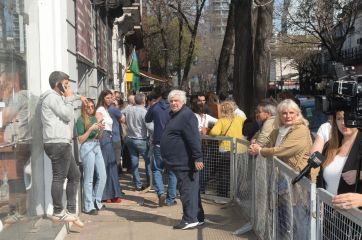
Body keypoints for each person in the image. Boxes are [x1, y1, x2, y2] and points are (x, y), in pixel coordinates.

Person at [40, 71, 85, 226]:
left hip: (61, 142)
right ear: (57, 84)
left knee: (75, 175)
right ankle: (58, 212)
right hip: (57, 142)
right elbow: (66, 115)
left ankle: (71, 211)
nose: (68, 88)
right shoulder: (52, 97)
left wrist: (78, 97)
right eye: (66, 85)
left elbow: (66, 106)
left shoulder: (58, 98)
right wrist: (69, 98)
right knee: (59, 177)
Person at [161, 90, 205, 230]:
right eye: (171, 101)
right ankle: (198, 217)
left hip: (185, 161)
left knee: (187, 191)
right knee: (191, 190)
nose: (173, 103)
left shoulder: (187, 116)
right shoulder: (176, 115)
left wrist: (198, 157)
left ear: (183, 102)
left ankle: (189, 219)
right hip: (178, 161)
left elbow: (194, 138)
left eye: (176, 101)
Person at [249, 99, 316, 181]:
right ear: (279, 115)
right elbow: (267, 144)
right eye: (284, 113)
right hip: (281, 176)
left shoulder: (301, 129)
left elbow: (282, 150)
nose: (288, 116)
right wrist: (255, 147)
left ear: (297, 114)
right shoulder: (278, 129)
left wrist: (260, 151)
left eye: (291, 113)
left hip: (297, 177)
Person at [317, 111, 362, 198]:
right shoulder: (328, 145)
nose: (343, 122)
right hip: (328, 208)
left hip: (353, 210)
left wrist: (360, 175)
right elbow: (320, 178)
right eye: (339, 118)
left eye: (347, 117)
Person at [145, 88, 177, 207]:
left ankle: (160, 192)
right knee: (172, 172)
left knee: (157, 169)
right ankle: (170, 199)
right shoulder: (174, 108)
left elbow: (147, 119)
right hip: (172, 142)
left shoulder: (155, 107)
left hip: (158, 141)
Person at [209, 100, 246, 197]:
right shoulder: (239, 119)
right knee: (237, 172)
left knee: (224, 173)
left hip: (225, 149)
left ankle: (223, 195)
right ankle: (237, 194)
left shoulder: (221, 121)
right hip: (239, 149)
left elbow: (214, 132)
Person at [76, 99, 107, 215]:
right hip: (87, 147)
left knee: (103, 175)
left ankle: (96, 201)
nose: (90, 109)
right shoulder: (80, 120)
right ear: (83, 108)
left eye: (92, 107)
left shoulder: (94, 119)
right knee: (89, 178)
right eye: (88, 107)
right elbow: (80, 140)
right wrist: (90, 129)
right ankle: (88, 206)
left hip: (96, 145)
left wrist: (101, 130)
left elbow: (98, 136)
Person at [95, 90, 122, 203]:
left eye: (111, 97)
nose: (110, 99)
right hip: (104, 137)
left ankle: (113, 194)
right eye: (107, 98)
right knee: (106, 165)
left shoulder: (107, 109)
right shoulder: (100, 109)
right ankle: (105, 195)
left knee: (111, 165)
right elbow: (99, 124)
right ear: (102, 98)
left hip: (109, 137)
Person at [122, 93, 152, 191]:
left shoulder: (129, 108)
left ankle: (138, 185)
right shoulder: (144, 111)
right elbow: (148, 126)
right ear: (144, 100)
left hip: (130, 138)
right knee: (148, 162)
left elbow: (120, 113)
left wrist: (125, 121)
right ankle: (149, 183)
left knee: (134, 162)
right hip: (141, 139)